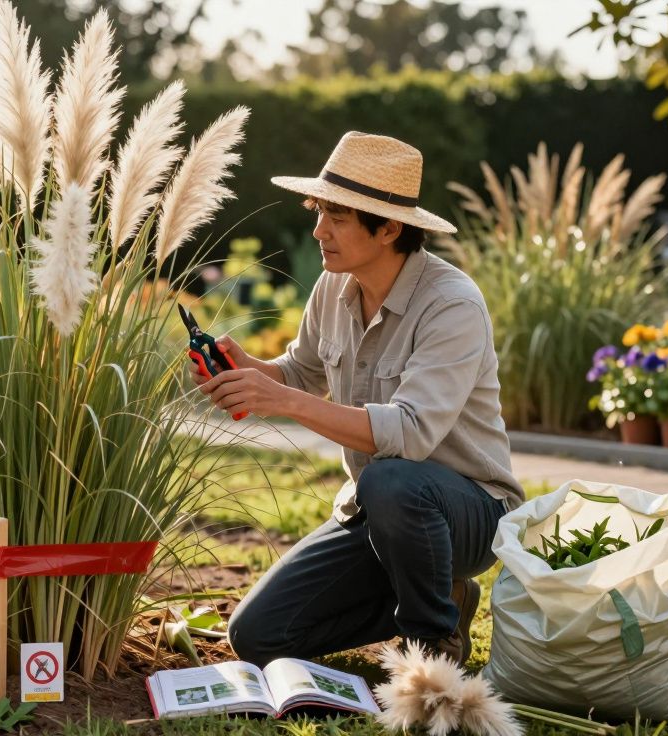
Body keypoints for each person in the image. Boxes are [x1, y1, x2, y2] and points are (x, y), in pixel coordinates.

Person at [190, 131, 524, 666]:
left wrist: (284, 401)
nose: (318, 230)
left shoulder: (452, 305)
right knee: (256, 637)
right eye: (319, 211)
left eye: (337, 217)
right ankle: (440, 595)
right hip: (376, 510)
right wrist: (247, 369)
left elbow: (409, 434)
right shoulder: (333, 285)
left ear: (390, 227)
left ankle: (430, 643)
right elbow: (300, 372)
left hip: (470, 513)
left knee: (392, 478)